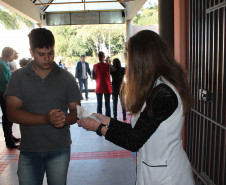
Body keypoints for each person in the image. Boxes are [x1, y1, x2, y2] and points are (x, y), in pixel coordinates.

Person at [78, 30, 195, 185]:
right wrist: (108, 121)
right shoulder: (156, 86)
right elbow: (139, 130)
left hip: (168, 177)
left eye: (128, 55)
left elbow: (134, 140)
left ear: (143, 59)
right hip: (153, 171)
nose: (127, 62)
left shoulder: (164, 93)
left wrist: (99, 128)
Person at [5, 28, 82, 185]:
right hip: (29, 150)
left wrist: (65, 119)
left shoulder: (66, 78)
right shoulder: (18, 77)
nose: (47, 58)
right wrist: (47, 119)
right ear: (31, 52)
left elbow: (76, 111)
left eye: (51, 53)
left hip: (59, 149)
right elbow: (12, 113)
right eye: (41, 54)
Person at [0, 47, 19, 148]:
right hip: (3, 93)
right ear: (9, 54)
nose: (13, 56)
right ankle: (9, 141)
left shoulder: (4, 63)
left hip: (5, 92)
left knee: (8, 116)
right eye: (12, 53)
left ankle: (10, 137)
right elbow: (4, 82)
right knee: (7, 117)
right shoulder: (1, 64)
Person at [93, 51, 112, 117]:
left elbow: (93, 77)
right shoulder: (107, 65)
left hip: (99, 87)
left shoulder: (95, 66)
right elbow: (114, 70)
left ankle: (99, 119)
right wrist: (108, 62)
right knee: (107, 105)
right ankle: (108, 120)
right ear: (104, 57)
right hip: (107, 86)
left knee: (99, 104)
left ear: (98, 57)